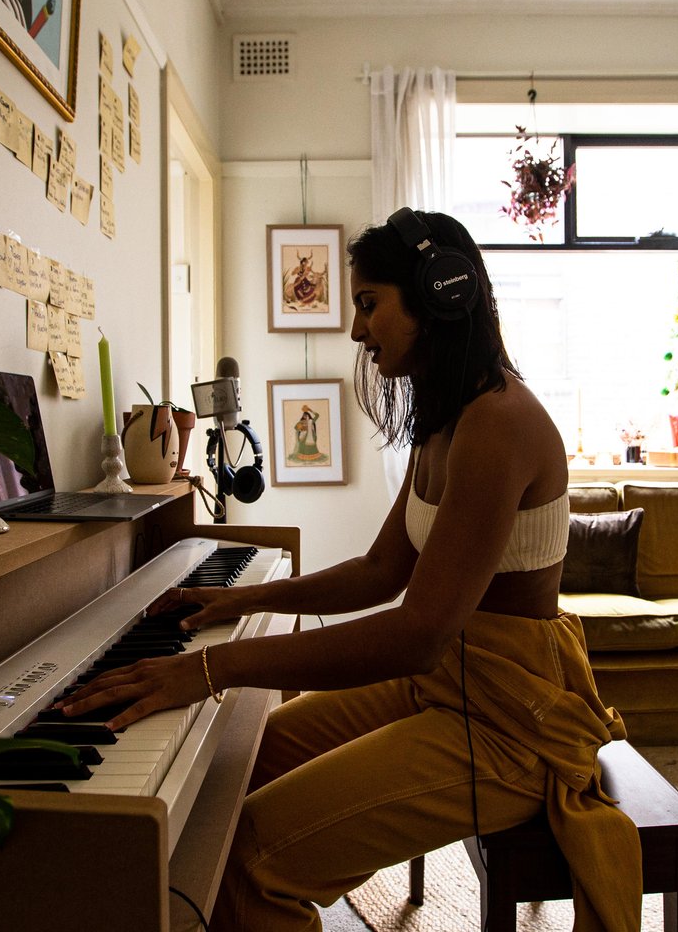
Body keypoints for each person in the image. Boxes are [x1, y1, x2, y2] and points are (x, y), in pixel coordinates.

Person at [55, 209, 641, 931]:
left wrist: (215, 669)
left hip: (506, 720)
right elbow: (378, 569)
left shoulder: (500, 423)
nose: (358, 332)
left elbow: (418, 631)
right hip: (443, 687)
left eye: (368, 305)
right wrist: (232, 601)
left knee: (250, 861)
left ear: (439, 294)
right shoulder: (447, 419)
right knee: (242, 761)